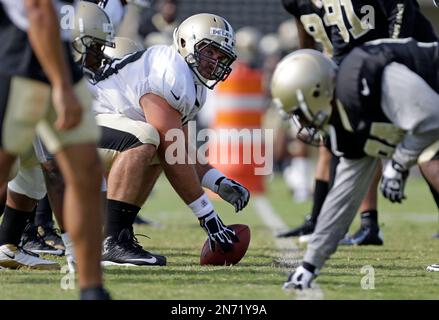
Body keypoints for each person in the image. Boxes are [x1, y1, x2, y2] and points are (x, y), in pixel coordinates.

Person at [40, 9, 250, 266]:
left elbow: (178, 151)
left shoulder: (191, 83)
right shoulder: (169, 68)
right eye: (210, 51)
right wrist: (208, 216)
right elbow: (171, 146)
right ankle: (112, 242)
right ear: (185, 43)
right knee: (147, 138)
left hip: (96, 127)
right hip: (75, 122)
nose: (215, 61)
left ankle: (118, 236)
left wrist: (216, 181)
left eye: (221, 56)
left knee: (154, 144)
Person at [270, 39, 439, 289]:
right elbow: (343, 198)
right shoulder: (344, 126)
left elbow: (432, 118)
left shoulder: (361, 77)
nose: (302, 124)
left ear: (317, 91)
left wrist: (399, 164)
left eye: (299, 113)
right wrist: (309, 265)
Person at [278, 0, 439, 244]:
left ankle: (340, 225)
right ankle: (345, 224)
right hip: (366, 65)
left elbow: (402, 6)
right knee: (347, 143)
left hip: (404, 62)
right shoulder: (298, 4)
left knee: (428, 152)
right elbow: (333, 42)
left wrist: (391, 55)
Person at [0, 0, 109, 300]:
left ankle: (92, 289)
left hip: (59, 60)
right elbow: (37, 7)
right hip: (18, 60)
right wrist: (61, 84)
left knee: (85, 173)